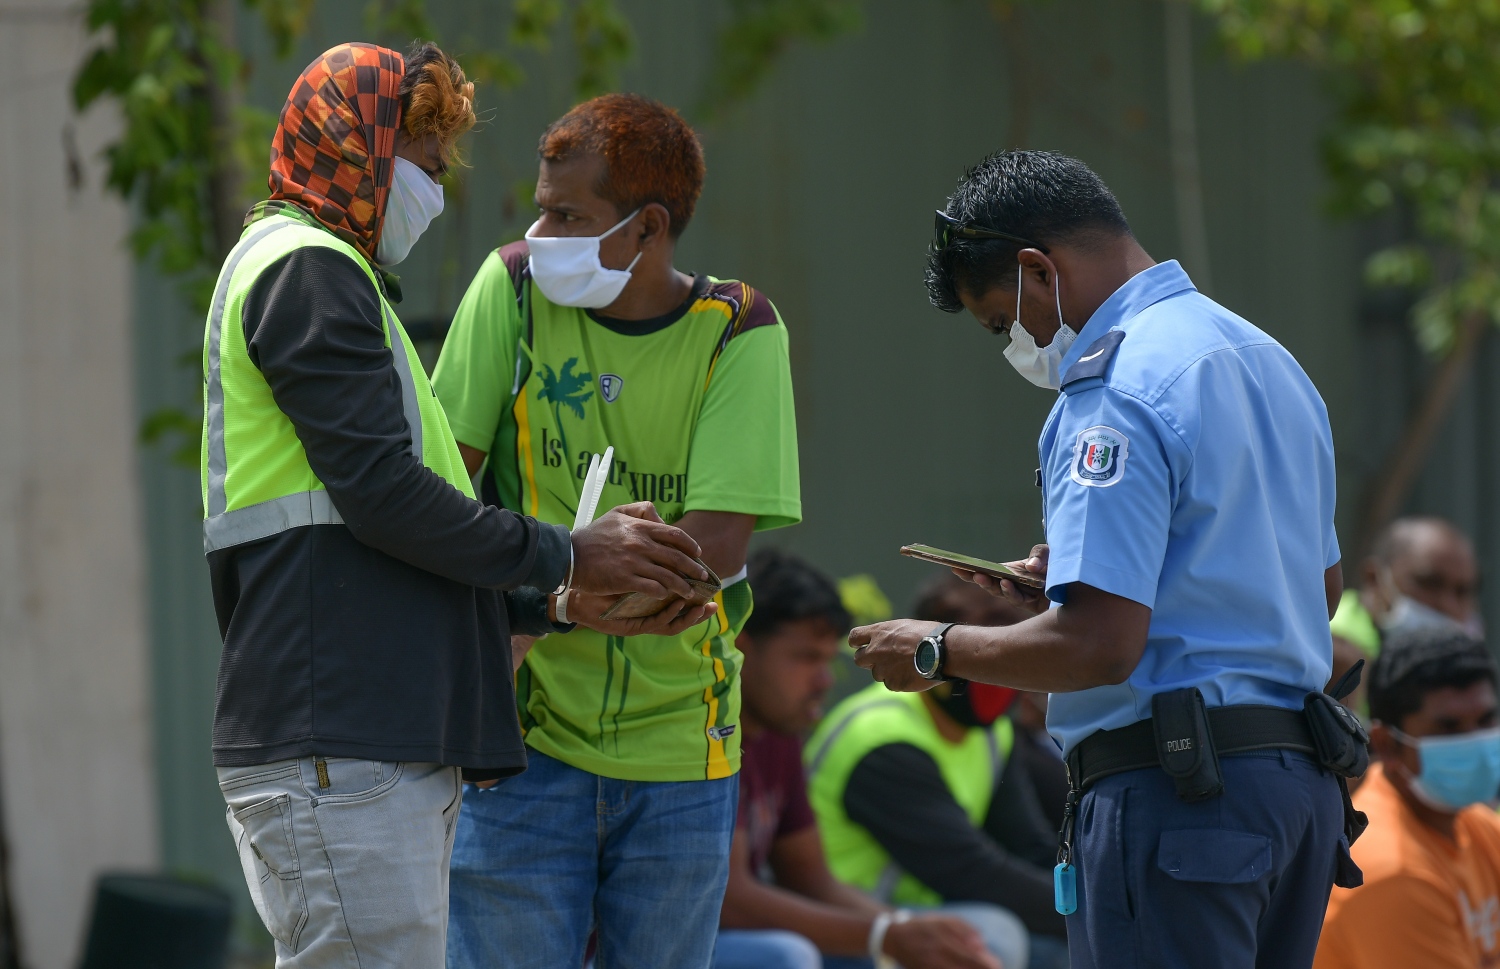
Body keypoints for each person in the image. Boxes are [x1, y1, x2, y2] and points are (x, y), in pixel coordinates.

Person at [204, 44, 714, 968]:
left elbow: (388, 539)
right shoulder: (307, 271)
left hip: (354, 735)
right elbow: (387, 501)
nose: (436, 195)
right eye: (427, 167)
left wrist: (548, 603)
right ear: (362, 149)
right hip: (343, 737)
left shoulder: (330, 276)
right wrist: (567, 553)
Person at [851, 150, 1353, 969]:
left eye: (998, 324)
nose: (1013, 347)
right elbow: (1315, 590)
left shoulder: (1110, 389)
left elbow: (1098, 646)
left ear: (1038, 272)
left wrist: (935, 644)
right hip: (1296, 796)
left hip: (1181, 798)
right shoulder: (1268, 359)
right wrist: (1081, 579)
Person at [435, 93, 801, 969]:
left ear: (647, 227)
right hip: (518, 744)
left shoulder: (740, 331)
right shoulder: (513, 288)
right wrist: (568, 589)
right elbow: (440, 497)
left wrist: (571, 568)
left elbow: (713, 551)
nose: (541, 229)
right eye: (542, 206)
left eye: (569, 214)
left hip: (684, 749)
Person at [715, 549, 1011, 969]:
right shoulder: (709, 732)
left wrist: (901, 929)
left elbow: (808, 877)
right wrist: (886, 936)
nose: (824, 679)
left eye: (827, 658)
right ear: (741, 649)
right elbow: (730, 901)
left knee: (981, 934)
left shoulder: (779, 734)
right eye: (805, 658)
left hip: (785, 923)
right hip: (691, 941)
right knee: (786, 957)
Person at [808, 573, 1070, 969]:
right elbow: (971, 871)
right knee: (996, 934)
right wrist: (1092, 913)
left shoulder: (989, 731)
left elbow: (1028, 844)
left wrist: (1092, 896)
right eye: (973, 654)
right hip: (847, 923)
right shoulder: (882, 739)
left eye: (1003, 657)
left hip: (929, 904)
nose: (996, 677)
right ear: (926, 657)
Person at [1315, 626, 1500, 969]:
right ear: (1386, 744)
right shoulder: (1393, 873)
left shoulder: (1472, 825)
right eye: (1449, 727)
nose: (1474, 741)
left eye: (1487, 719)